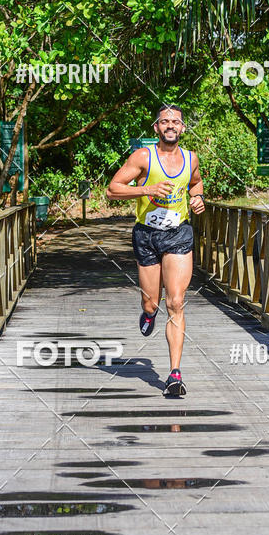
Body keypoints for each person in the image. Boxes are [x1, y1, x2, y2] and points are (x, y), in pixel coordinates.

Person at [106, 104, 205, 396]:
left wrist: (198, 199)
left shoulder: (191, 158)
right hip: (147, 235)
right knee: (152, 302)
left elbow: (196, 184)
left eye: (176, 121)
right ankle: (148, 313)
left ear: (182, 128)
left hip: (178, 234)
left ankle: (174, 375)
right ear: (156, 128)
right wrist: (146, 189)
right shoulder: (142, 157)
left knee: (176, 302)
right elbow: (112, 189)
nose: (170, 125)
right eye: (165, 121)